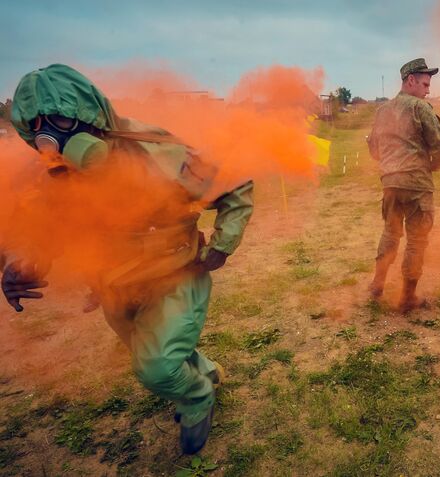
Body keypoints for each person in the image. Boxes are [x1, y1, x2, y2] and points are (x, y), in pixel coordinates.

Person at [2, 64, 254, 453]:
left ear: (91, 113)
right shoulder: (54, 173)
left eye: (59, 121)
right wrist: (21, 264)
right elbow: (45, 227)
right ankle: (202, 369)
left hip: (174, 276)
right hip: (115, 287)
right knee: (154, 346)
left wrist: (221, 246)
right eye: (35, 128)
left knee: (156, 367)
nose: (49, 139)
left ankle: (198, 397)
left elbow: (234, 184)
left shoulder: (156, 151)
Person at [366, 58, 440, 312]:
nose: (428, 89)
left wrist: (390, 164)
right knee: (416, 240)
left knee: (390, 232)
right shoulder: (419, 107)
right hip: (416, 184)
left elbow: (374, 149)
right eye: (424, 83)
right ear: (410, 80)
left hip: (389, 182)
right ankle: (407, 298)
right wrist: (432, 165)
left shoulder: (381, 111)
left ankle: (377, 284)